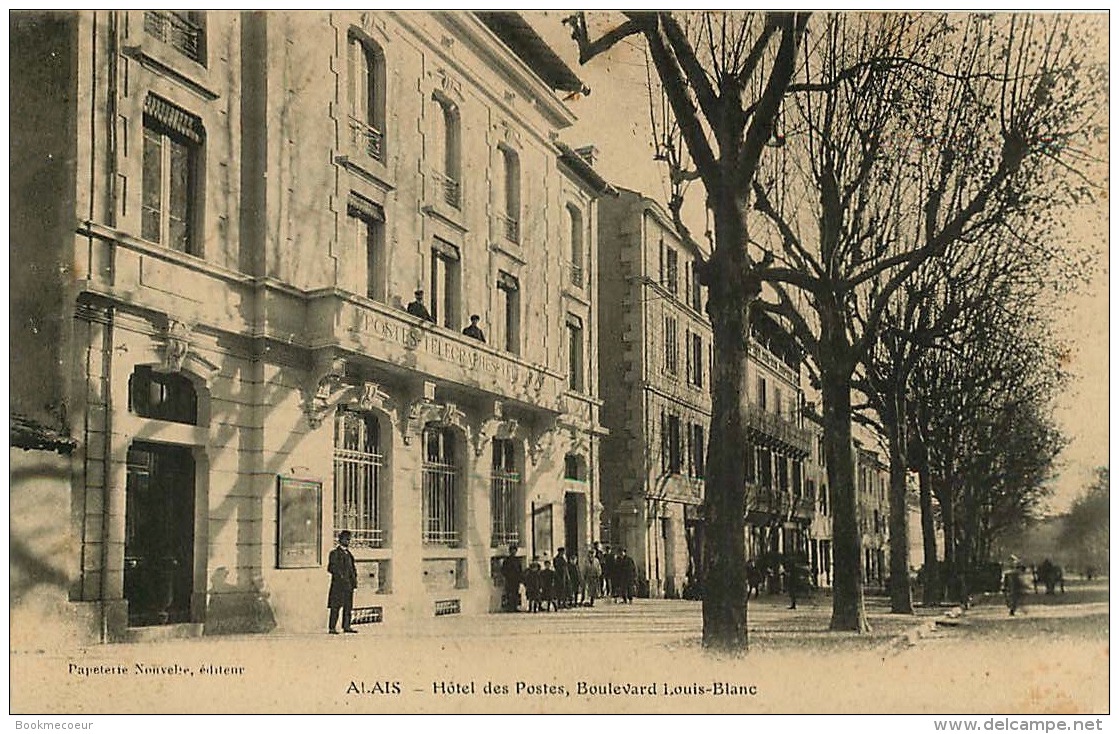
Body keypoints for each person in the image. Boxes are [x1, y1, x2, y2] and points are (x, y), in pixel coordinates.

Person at [327, 530, 359, 634]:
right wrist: (341, 577)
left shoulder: (349, 554)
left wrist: (353, 580)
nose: (348, 542)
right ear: (340, 540)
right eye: (346, 539)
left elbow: (352, 569)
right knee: (335, 607)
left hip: (348, 585)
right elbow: (331, 568)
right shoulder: (334, 553)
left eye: (349, 539)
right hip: (338, 585)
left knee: (348, 607)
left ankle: (346, 626)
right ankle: (332, 627)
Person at [500, 544, 522, 612]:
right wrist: (506, 576)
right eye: (512, 550)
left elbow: (520, 570)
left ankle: (515, 607)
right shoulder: (507, 560)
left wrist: (520, 578)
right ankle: (510, 607)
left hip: (516, 579)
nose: (513, 552)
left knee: (515, 593)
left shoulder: (517, 560)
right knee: (509, 593)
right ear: (510, 551)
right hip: (509, 579)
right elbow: (503, 570)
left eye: (515, 550)